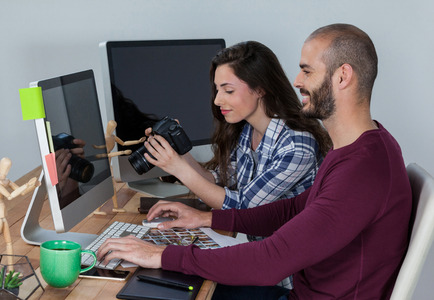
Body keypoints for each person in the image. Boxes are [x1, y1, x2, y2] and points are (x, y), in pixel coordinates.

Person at [97, 24, 412, 299]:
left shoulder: (364, 170)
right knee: (163, 284)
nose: (297, 80)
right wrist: (206, 219)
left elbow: (271, 260)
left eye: (307, 70)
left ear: (343, 76)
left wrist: (161, 254)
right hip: (296, 290)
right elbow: (293, 210)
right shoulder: (362, 150)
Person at [142, 41, 331, 210]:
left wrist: (177, 168)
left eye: (229, 91)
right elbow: (218, 182)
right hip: (256, 243)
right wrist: (179, 151)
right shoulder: (247, 131)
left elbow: (243, 206)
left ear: (259, 89)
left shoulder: (296, 146)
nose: (217, 100)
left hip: (286, 248)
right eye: (217, 90)